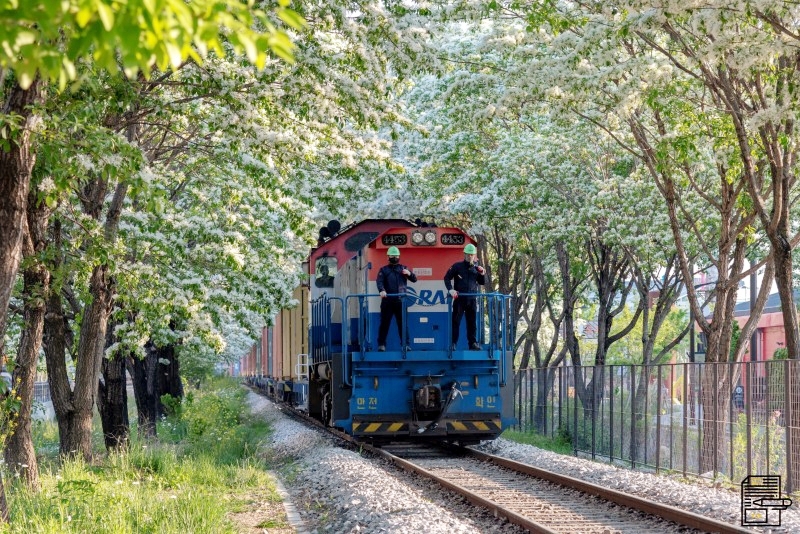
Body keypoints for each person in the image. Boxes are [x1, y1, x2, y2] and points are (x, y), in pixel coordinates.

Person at [444, 243, 486, 350]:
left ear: (474, 255)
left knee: (472, 323)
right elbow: (446, 278)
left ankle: (472, 343)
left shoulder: (477, 269)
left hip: (472, 300)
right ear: (464, 254)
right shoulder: (457, 266)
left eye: (471, 255)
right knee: (455, 322)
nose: (469, 256)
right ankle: (453, 343)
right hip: (459, 299)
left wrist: (482, 274)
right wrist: (451, 290)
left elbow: (482, 282)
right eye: (467, 254)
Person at [376, 246, 417, 351]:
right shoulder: (383, 270)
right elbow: (379, 281)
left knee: (403, 325)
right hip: (387, 301)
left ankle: (406, 345)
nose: (394, 257)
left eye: (396, 256)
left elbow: (414, 279)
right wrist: (381, 290)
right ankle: (381, 344)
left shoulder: (403, 269)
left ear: (399, 257)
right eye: (392, 256)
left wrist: (410, 273)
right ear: (388, 257)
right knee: (384, 323)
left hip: (401, 302)